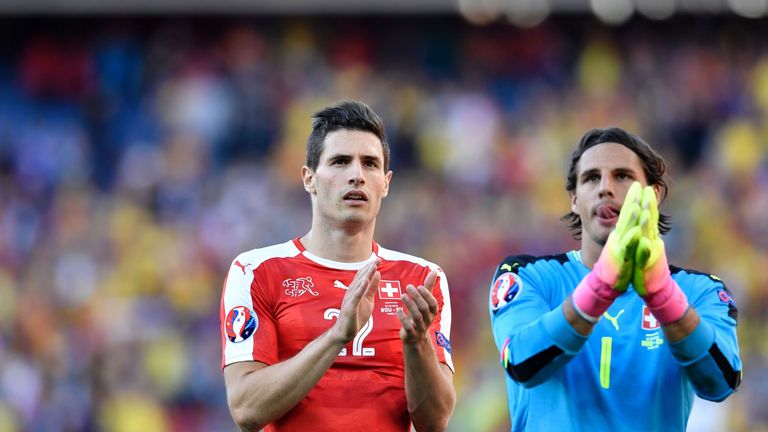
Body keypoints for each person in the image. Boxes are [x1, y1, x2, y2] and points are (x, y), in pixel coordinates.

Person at [220, 100, 455, 432]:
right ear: (309, 178)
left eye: (370, 164)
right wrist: (337, 337)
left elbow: (435, 422)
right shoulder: (257, 270)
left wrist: (418, 345)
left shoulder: (421, 279)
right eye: (341, 161)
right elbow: (246, 408)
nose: (357, 175)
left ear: (386, 183)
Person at [488, 127, 742, 431]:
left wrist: (663, 297)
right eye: (591, 178)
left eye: (622, 176)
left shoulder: (699, 291)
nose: (605, 188)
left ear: (654, 194)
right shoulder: (529, 276)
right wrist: (599, 289)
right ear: (574, 199)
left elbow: (722, 382)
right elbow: (521, 362)